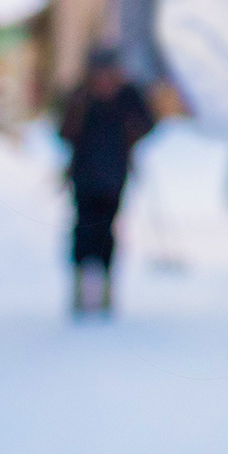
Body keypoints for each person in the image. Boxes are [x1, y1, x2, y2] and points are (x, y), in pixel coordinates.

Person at [58, 45, 154, 320]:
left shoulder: (127, 97)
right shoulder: (80, 95)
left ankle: (106, 290)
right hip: (84, 175)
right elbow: (63, 130)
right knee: (82, 229)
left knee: (107, 230)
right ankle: (79, 288)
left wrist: (131, 129)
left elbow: (148, 124)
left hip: (114, 175)